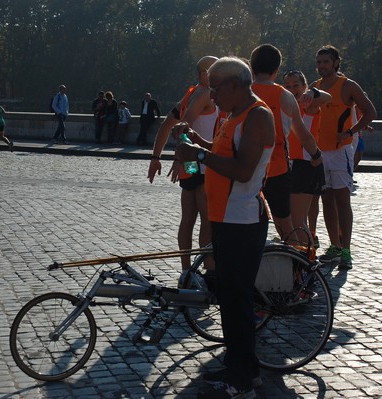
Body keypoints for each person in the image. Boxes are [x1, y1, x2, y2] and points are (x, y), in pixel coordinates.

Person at [173, 56, 275, 399]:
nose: (211, 94)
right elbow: (221, 156)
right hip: (225, 217)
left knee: (237, 301)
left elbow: (243, 170)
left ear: (234, 84)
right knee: (230, 301)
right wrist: (194, 143)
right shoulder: (233, 116)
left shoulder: (258, 116)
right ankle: (243, 367)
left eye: (215, 87)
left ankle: (242, 379)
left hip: (243, 219)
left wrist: (198, 155)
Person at [148, 55, 219, 288]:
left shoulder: (191, 94)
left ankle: (186, 271)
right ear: (202, 74)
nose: (219, 72)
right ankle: (209, 271)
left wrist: (156, 157)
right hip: (201, 162)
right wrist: (178, 158)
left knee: (187, 218)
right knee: (207, 220)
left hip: (192, 163)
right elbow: (182, 128)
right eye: (213, 69)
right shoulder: (206, 94)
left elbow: (166, 124)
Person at [310, 45, 377, 269]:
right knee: (326, 200)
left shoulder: (347, 85)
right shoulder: (315, 88)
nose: (321, 66)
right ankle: (335, 246)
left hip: (341, 152)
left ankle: (346, 249)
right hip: (321, 152)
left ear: (336, 63)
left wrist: (351, 131)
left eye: (326, 62)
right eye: (318, 62)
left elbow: (370, 111)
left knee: (342, 200)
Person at [249, 44, 322, 246]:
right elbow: (302, 133)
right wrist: (316, 155)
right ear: (276, 70)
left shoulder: (242, 91)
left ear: (252, 68)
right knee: (285, 223)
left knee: (246, 220)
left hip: (245, 166)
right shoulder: (284, 96)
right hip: (276, 168)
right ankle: (298, 269)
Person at [283, 69, 331, 249]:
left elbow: (328, 98)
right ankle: (299, 261)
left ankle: (308, 265)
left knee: (298, 221)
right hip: (290, 165)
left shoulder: (308, 104)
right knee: (291, 221)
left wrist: (313, 92)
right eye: (288, 86)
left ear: (304, 86)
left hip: (305, 164)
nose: (292, 89)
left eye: (296, 85)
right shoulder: (286, 106)